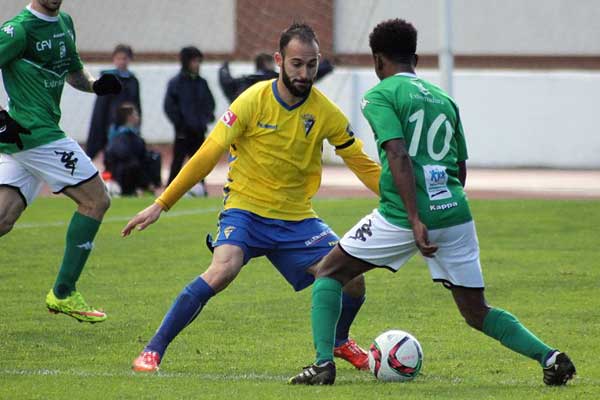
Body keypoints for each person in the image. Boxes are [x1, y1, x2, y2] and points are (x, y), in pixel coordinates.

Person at [289, 18, 576, 386]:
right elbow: (459, 167)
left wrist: (414, 218)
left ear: (378, 61)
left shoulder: (380, 95)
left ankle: (322, 364)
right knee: (476, 311)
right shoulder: (444, 100)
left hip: (402, 215)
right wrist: (444, 211)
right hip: (455, 212)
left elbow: (397, 152)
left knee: (330, 271)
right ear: (417, 58)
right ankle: (550, 357)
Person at [122, 22, 382, 373]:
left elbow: (363, 164)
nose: (305, 73)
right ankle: (153, 350)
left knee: (352, 277)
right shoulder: (251, 101)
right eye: (296, 64)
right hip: (245, 210)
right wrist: (161, 203)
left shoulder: (326, 113)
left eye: (312, 64)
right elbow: (207, 153)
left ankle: (338, 341)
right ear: (279, 60)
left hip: (297, 218)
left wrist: (407, 203)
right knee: (222, 270)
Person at [0, 0, 122, 323]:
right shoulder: (19, 30)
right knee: (96, 200)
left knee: (2, 218)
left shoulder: (65, 22)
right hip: (35, 133)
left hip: (28, 137)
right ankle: (64, 293)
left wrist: (96, 85)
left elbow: (72, 71)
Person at [164, 46, 215, 193]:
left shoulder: (202, 83)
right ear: (186, 62)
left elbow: (209, 103)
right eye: (194, 61)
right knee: (178, 161)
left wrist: (205, 119)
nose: (197, 65)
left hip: (198, 130)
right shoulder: (176, 83)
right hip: (183, 131)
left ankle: (200, 189)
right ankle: (170, 191)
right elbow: (169, 106)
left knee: (199, 162)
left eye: (199, 61)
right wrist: (180, 124)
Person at [86, 44, 141, 161]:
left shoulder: (133, 81)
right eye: (118, 58)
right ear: (114, 59)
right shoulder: (108, 79)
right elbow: (101, 107)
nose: (121, 61)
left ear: (130, 59)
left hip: (129, 124)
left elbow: (137, 103)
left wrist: (137, 121)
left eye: (124, 58)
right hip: (111, 124)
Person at [219, 52, 334, 103]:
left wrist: (224, 67)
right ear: (267, 63)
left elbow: (226, 82)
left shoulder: (245, 81)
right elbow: (303, 77)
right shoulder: (278, 80)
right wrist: (326, 65)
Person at [105, 103, 159, 196]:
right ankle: (136, 188)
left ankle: (150, 186)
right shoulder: (119, 136)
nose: (138, 117)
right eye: (135, 114)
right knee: (133, 165)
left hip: (133, 167)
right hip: (121, 171)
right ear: (129, 117)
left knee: (154, 157)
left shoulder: (133, 135)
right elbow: (123, 155)